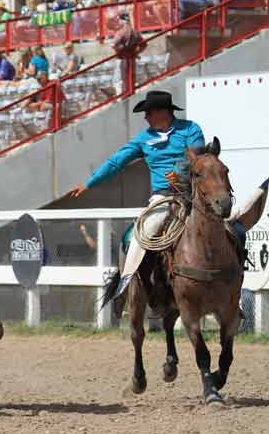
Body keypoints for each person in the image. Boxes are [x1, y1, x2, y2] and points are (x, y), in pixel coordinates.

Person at [66, 91, 205, 310]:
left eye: (148, 112)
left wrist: (181, 172)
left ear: (162, 112)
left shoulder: (191, 129)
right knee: (132, 238)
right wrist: (89, 183)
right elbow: (116, 162)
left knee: (231, 229)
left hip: (196, 194)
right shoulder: (143, 139)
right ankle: (126, 284)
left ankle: (232, 289)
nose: (145, 117)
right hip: (163, 198)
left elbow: (200, 155)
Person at [112, 13, 145, 95]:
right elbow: (144, 44)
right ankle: (130, 96)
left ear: (122, 20)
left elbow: (113, 45)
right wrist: (136, 52)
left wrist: (118, 52)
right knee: (131, 81)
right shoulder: (135, 32)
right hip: (132, 58)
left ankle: (124, 99)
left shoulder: (121, 32)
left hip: (122, 58)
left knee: (121, 81)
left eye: (119, 19)